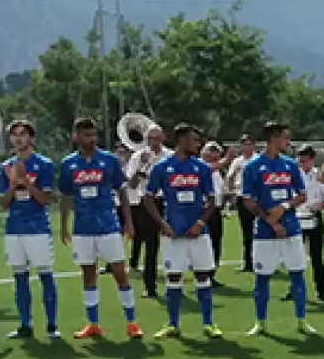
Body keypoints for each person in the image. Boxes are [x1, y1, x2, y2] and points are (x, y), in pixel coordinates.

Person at [58, 118, 141, 339]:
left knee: (120, 274)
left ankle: (132, 322)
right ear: (76, 136)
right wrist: (64, 225)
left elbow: (122, 191)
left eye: (94, 134)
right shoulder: (68, 164)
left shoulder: (109, 160)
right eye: (86, 135)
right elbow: (66, 196)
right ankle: (93, 323)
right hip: (83, 229)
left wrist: (128, 221)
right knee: (88, 275)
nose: (91, 139)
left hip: (108, 227)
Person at [144, 123, 221, 338]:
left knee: (203, 275)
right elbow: (148, 197)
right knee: (174, 277)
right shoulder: (162, 167)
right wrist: (162, 224)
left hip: (198, 233)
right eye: (194, 140)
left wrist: (200, 222)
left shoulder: (202, 168)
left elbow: (213, 200)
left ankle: (208, 323)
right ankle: (172, 324)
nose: (198, 144)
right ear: (181, 141)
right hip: (174, 233)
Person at [241, 122, 313, 336]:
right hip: (264, 232)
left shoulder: (290, 165)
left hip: (291, 229)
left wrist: (284, 207)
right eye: (285, 138)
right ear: (273, 138)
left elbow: (302, 195)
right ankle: (260, 322)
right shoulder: (252, 166)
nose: (288, 142)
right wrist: (270, 220)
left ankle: (302, 320)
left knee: (297, 274)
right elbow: (248, 200)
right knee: (261, 277)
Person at [0, 120, 60, 340]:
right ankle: (25, 324)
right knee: (19, 278)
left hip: (38, 229)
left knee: (45, 276)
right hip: (14, 229)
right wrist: (13, 184)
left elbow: (44, 199)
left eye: (23, 134)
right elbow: (3, 203)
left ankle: (52, 325)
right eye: (14, 135)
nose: (18, 138)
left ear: (31, 139)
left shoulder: (44, 164)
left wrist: (26, 182)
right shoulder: (5, 167)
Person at [125, 123, 167, 299]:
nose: (153, 142)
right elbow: (131, 184)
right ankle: (150, 286)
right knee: (150, 244)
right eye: (150, 138)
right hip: (147, 201)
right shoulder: (137, 157)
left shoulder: (170, 156)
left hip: (167, 201)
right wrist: (142, 165)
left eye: (156, 138)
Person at [291, 145, 324, 304]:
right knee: (295, 257)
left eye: (304, 161)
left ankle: (321, 290)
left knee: (316, 257)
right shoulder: (293, 175)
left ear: (311, 160)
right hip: (296, 218)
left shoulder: (320, 176)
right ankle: (294, 290)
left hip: (314, 217)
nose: (301, 164)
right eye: (299, 161)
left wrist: (316, 206)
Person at [225, 134, 257, 274]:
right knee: (246, 231)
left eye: (249, 144)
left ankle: (262, 261)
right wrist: (231, 191)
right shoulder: (238, 161)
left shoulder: (258, 160)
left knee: (260, 230)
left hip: (256, 198)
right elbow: (230, 177)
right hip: (242, 197)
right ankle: (248, 262)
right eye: (244, 144)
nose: (246, 147)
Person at [201, 140, 227, 279]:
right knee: (207, 242)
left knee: (216, 241)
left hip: (216, 210)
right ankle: (205, 272)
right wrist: (227, 160)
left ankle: (211, 273)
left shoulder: (217, 172)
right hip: (206, 210)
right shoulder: (202, 166)